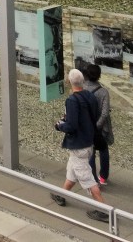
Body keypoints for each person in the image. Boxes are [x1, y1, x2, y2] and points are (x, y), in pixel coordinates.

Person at [50, 68, 109, 222]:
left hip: (78, 145)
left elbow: (72, 126)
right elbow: (93, 116)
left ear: (70, 82)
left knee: (88, 179)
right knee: (72, 171)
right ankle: (61, 195)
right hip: (88, 141)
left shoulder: (71, 100)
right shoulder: (89, 96)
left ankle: (104, 210)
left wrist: (59, 125)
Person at [84, 64, 113, 185]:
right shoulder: (103, 92)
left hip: (88, 125)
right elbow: (105, 112)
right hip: (101, 127)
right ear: (99, 76)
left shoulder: (83, 88)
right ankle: (103, 176)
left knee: (90, 152)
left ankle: (93, 179)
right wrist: (98, 125)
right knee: (103, 149)